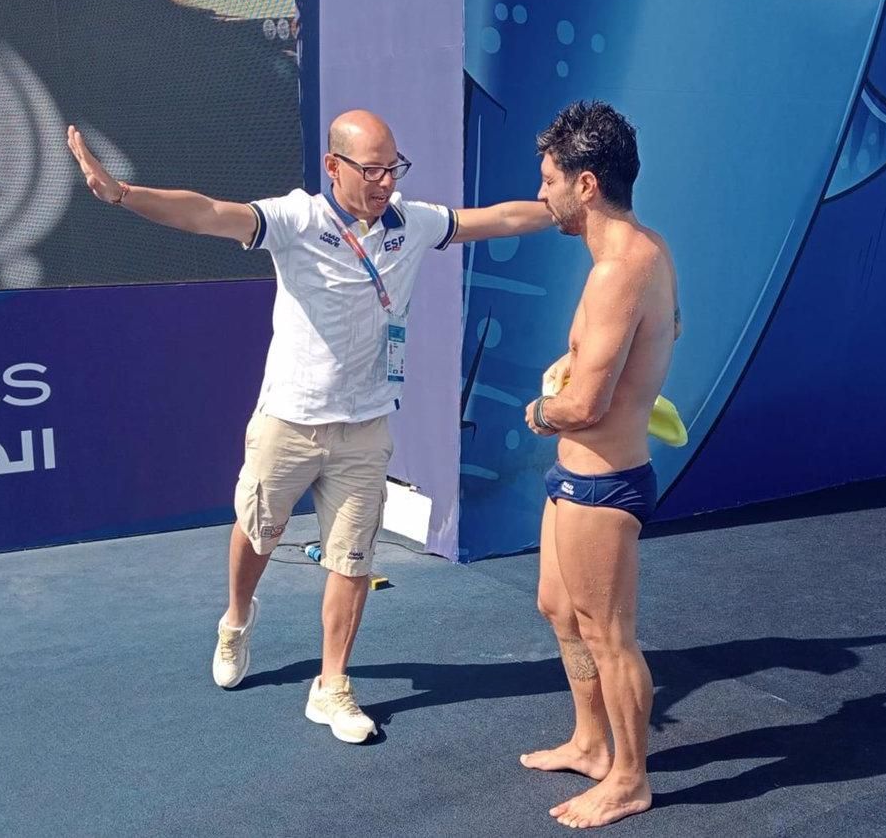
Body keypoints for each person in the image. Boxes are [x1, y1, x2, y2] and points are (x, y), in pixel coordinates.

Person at [68, 109, 552, 744]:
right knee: (256, 533)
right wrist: (125, 195)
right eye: (371, 169)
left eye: (393, 168)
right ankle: (237, 620)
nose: (384, 182)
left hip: (366, 427)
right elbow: (208, 213)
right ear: (334, 167)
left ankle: (332, 687)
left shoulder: (414, 223)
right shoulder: (298, 219)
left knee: (352, 559)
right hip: (289, 422)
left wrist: (563, 209)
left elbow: (495, 220)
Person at [521, 101, 676, 829]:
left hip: (601, 480)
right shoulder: (646, 251)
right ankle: (590, 742)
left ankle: (630, 777)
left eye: (550, 178)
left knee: (609, 635)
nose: (542, 192)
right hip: (576, 480)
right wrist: (582, 362)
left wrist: (542, 409)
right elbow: (662, 332)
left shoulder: (620, 269)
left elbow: (583, 408)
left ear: (586, 185)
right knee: (559, 607)